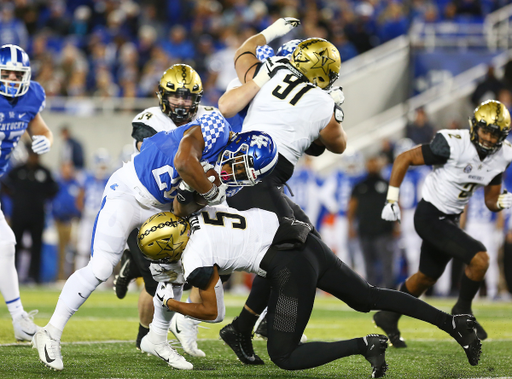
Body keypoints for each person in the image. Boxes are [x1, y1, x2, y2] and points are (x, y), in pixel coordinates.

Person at [31, 110, 278, 371]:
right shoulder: (215, 127)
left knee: (177, 272)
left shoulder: (230, 182)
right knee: (102, 266)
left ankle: (157, 338)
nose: (235, 174)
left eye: (245, 175)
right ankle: (50, 332)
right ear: (240, 145)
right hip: (130, 190)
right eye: (239, 165)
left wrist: (190, 196)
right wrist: (208, 188)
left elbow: (182, 208)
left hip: (161, 208)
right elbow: (183, 161)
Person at [139, 207, 481, 378]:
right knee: (370, 296)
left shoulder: (195, 255)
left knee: (283, 354)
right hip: (305, 241)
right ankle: (453, 323)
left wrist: (168, 302)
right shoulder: (197, 217)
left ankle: (364, 346)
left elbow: (214, 313)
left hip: (289, 265)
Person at [216, 19, 349, 364]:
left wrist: (272, 32)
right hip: (233, 177)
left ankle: (247, 324)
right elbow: (333, 144)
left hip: (254, 177)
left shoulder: (275, 79)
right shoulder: (267, 79)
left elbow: (317, 145)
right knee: (287, 246)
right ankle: (247, 323)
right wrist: (333, 111)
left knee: (292, 243)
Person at [375, 99, 512, 348]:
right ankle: (462, 313)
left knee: (425, 278)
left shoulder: (503, 156)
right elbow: (404, 158)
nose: (490, 139)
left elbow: (491, 201)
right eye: (485, 131)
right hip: (429, 215)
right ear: (474, 127)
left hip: (449, 219)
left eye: (495, 135)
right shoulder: (453, 144)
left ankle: (387, 315)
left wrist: (504, 201)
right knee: (480, 258)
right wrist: (391, 199)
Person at [113, 63, 222, 355]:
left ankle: (133, 267)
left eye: (188, 97)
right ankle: (143, 335)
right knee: (155, 281)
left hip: (184, 208)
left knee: (195, 269)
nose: (183, 103)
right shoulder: (149, 120)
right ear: (162, 95)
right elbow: (156, 162)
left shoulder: (209, 118)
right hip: (146, 207)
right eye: (176, 96)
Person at [0, 43, 53, 340]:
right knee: (5, 243)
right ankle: (18, 319)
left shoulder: (31, 95)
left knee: (6, 244)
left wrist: (46, 140)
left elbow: (42, 130)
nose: (10, 79)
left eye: (16, 74)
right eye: (5, 72)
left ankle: (19, 319)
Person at [347, 155, 398, 288]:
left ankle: (390, 290)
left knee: (387, 263)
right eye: (370, 163)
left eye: (374, 163)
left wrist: (397, 225)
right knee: (368, 264)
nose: (372, 166)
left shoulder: (387, 184)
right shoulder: (359, 185)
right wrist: (350, 226)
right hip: (365, 230)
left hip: (384, 231)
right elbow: (352, 207)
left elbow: (396, 205)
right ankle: (371, 291)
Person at [52, 161, 81, 281]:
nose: (67, 171)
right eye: (65, 168)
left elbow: (79, 201)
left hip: (73, 221)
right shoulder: (57, 184)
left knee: (73, 251)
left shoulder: (76, 184)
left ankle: (72, 277)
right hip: (58, 221)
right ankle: (60, 277)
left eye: (69, 168)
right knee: (60, 251)